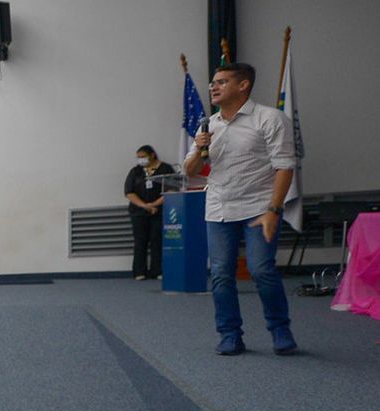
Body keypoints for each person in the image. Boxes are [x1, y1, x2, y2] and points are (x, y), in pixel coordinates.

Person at [186, 62, 297, 355]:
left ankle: (280, 329)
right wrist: (199, 148)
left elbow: (285, 167)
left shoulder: (269, 119)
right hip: (219, 208)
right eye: (213, 83)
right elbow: (190, 171)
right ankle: (229, 334)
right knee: (221, 274)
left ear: (243, 85)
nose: (213, 87)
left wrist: (273, 210)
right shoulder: (208, 125)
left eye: (222, 82)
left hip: (259, 207)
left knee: (261, 270)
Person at [125, 145, 177, 281]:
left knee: (157, 240)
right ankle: (139, 271)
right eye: (138, 157)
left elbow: (171, 189)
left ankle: (157, 270)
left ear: (152, 155)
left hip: (160, 211)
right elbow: (129, 192)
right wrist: (145, 206)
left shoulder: (166, 169)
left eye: (143, 157)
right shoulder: (135, 171)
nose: (140, 160)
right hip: (139, 212)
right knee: (140, 241)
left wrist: (154, 205)